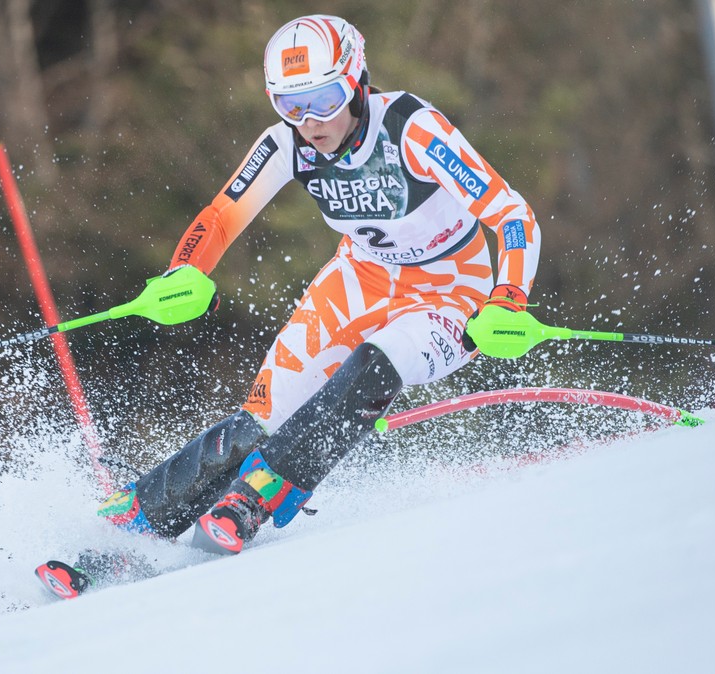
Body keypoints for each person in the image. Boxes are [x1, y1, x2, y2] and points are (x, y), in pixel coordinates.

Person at [98, 14, 542, 558]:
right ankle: (134, 523)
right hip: (359, 278)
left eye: (325, 98)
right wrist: (183, 272)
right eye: (289, 104)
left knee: (375, 365)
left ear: (357, 82)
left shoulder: (411, 127)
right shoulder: (287, 143)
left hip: (452, 289)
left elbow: (510, 213)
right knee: (259, 420)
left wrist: (509, 296)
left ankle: (253, 502)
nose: (309, 121)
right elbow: (220, 216)